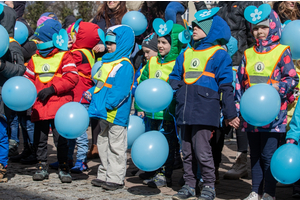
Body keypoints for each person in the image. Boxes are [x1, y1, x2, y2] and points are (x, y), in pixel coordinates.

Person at [170, 9, 239, 200]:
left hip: (204, 109)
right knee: (186, 151)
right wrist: (179, 90)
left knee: (202, 150)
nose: (194, 29)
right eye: (193, 26)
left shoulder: (219, 54)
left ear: (211, 30)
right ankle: (190, 185)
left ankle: (208, 184)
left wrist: (230, 113)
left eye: (199, 27)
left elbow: (226, 86)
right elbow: (175, 76)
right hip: (184, 109)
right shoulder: (186, 52)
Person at [237, 5, 299, 200]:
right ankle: (255, 191)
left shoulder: (282, 52)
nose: (259, 32)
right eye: (255, 28)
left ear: (273, 26)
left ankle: (269, 193)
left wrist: (277, 88)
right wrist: (239, 108)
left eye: (263, 27)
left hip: (275, 117)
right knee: (254, 156)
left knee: (268, 156)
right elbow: (240, 84)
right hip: (251, 116)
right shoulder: (248, 54)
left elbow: (292, 79)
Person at [24, 19, 79, 183]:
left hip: (59, 107)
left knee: (61, 140)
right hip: (40, 107)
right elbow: (28, 81)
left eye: (39, 39)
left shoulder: (65, 56)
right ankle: (41, 166)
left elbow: (72, 78)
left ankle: (64, 167)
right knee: (39, 140)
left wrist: (52, 89)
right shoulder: (34, 59)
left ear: (49, 39)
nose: (37, 42)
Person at [213, 1, 263, 181]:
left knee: (240, 111)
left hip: (241, 61)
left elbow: (253, 34)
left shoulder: (249, 3)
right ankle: (213, 163)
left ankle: (242, 159)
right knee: (224, 111)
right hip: (223, 60)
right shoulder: (221, 5)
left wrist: (248, 59)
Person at [135, 22, 185, 188]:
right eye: (159, 42)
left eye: (165, 42)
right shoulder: (153, 61)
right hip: (150, 113)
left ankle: (165, 174)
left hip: (167, 114)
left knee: (167, 145)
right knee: (152, 141)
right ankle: (154, 170)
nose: (160, 46)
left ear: (173, 44)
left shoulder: (177, 63)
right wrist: (140, 106)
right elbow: (143, 83)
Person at [86, 25, 135, 191]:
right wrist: (90, 93)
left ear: (122, 43)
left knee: (116, 146)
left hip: (115, 113)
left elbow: (120, 90)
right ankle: (105, 173)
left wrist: (108, 104)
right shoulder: (107, 61)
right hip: (103, 112)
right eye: (107, 42)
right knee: (103, 143)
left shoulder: (124, 65)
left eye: (112, 43)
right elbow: (99, 84)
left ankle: (115, 177)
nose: (108, 46)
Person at [0, 3, 26, 183]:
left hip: (2, 97)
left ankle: (1, 165)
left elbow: (20, 69)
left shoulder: (11, 45)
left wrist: (2, 66)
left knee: (1, 133)